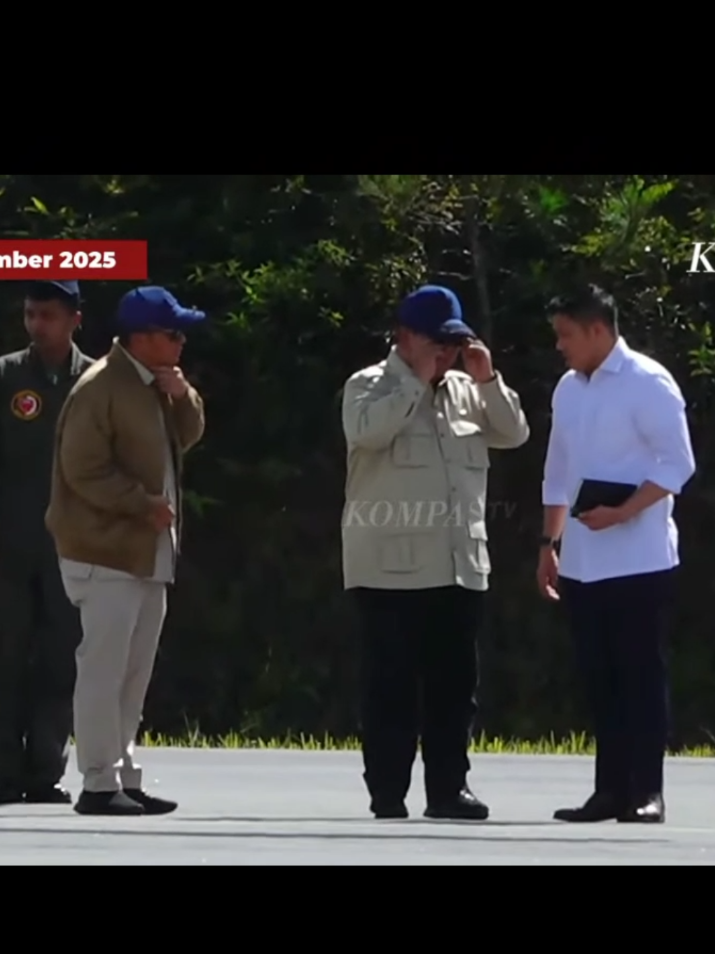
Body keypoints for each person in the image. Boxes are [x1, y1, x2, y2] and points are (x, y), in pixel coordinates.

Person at [341, 285, 529, 820]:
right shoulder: (369, 387)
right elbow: (365, 433)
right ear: (404, 337)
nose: (447, 354)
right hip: (388, 569)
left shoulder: (469, 391)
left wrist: (487, 376)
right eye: (437, 343)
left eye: (453, 343)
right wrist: (414, 384)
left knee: (454, 690)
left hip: (457, 565)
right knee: (390, 688)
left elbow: (514, 432)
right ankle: (387, 790)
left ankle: (450, 789)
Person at [537, 285, 695, 824]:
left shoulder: (647, 382)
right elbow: (557, 471)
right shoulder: (567, 388)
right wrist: (547, 543)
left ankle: (647, 791)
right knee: (598, 677)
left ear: (598, 331)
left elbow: (677, 465)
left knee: (639, 677)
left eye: (566, 335)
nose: (560, 345)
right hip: (582, 560)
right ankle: (609, 790)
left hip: (639, 559)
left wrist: (624, 511)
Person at [45, 286, 206, 816]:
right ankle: (96, 781)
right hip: (104, 550)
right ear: (140, 338)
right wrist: (142, 504)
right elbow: (82, 469)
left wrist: (183, 395)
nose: (182, 342)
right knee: (103, 667)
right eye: (173, 333)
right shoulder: (100, 386)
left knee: (134, 671)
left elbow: (187, 437)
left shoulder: (155, 383)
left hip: (147, 550)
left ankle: (122, 774)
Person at [0, 280, 94, 806]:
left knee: (62, 660)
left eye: (50, 315)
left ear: (75, 318)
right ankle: (3, 771)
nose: (38, 325)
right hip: (10, 543)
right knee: (5, 658)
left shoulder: (96, 379)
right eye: (31, 314)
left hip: (73, 544)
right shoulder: (8, 375)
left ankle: (44, 772)